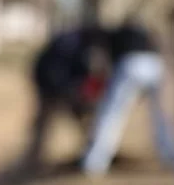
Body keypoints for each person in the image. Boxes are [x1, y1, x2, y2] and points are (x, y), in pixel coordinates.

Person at [80, 19, 174, 176]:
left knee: (112, 114)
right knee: (160, 116)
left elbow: (106, 67)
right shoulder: (143, 33)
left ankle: (95, 161)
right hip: (155, 66)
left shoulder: (109, 38)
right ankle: (169, 155)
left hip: (131, 64)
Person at [25, 23, 110, 169]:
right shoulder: (69, 45)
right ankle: (33, 162)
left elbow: (83, 74)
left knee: (84, 119)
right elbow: (54, 71)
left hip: (62, 85)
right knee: (44, 123)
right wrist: (67, 90)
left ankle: (90, 152)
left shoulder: (81, 47)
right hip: (48, 84)